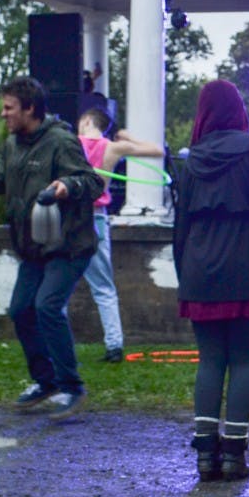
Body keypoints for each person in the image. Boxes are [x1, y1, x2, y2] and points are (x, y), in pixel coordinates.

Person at [0, 76, 104, 419]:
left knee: (47, 306)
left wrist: (67, 185)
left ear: (30, 108)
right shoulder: (13, 143)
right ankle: (45, 381)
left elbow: (92, 182)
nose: (2, 114)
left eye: (8, 107)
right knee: (21, 309)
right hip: (33, 247)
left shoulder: (61, 141)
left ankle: (71, 387)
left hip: (68, 245)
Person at [173, 80, 249, 482]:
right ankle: (234, 456)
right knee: (242, 359)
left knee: (210, 359)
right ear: (238, 110)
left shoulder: (192, 160)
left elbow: (180, 223)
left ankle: (205, 456)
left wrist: (183, 271)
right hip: (245, 261)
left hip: (199, 264)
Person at [77, 107, 164, 363]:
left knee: (60, 283)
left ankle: (55, 347)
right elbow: (157, 150)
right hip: (97, 217)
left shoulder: (70, 143)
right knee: (103, 286)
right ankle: (114, 346)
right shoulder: (112, 148)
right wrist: (128, 138)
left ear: (87, 120)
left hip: (72, 215)